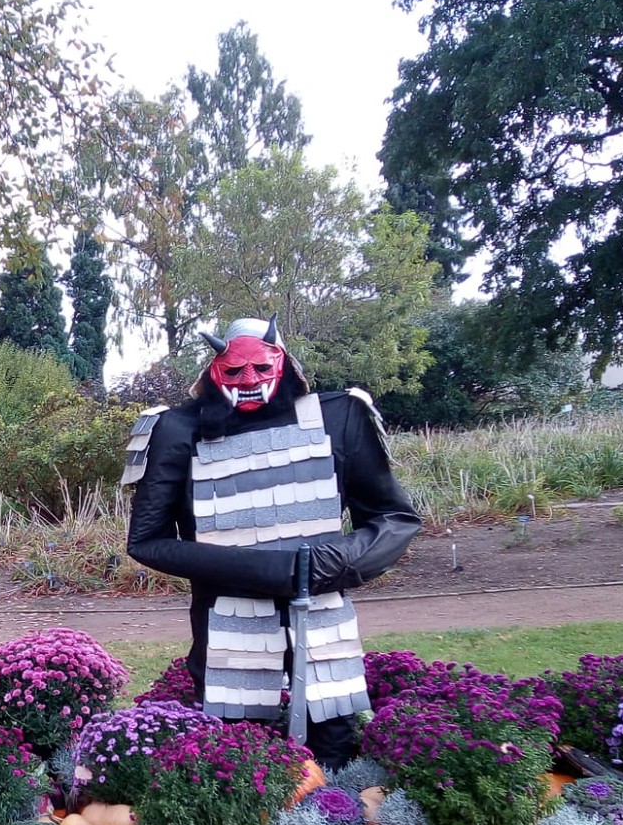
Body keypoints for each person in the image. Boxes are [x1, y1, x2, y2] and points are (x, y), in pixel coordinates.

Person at [123, 317, 419, 765]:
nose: (248, 381)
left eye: (260, 368)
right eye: (234, 370)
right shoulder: (176, 429)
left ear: (282, 362)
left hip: (323, 623)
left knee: (333, 748)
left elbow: (395, 518)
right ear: (214, 370)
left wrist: (329, 562)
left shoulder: (340, 415)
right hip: (228, 628)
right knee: (239, 762)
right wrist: (269, 570)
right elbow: (147, 540)